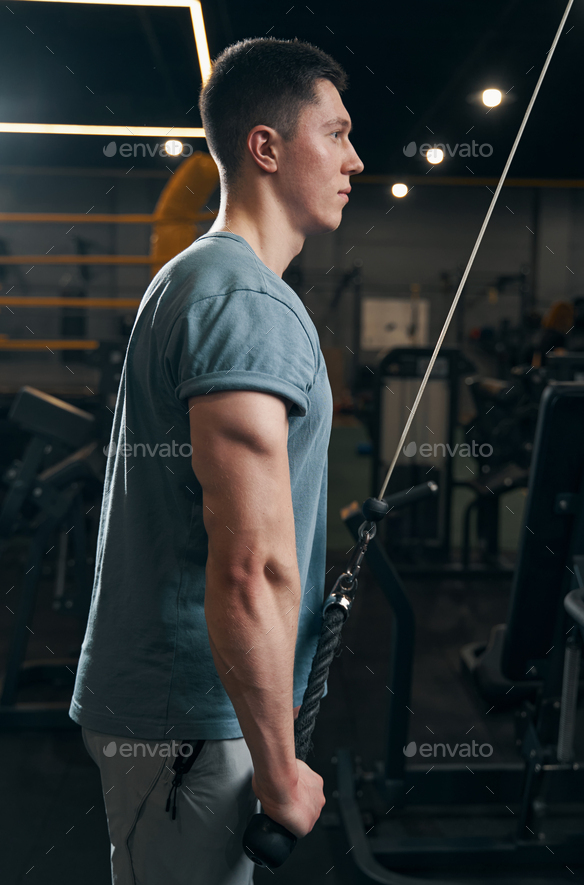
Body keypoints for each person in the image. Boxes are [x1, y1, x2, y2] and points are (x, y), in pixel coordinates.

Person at [70, 36, 363, 885]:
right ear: (265, 146)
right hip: (191, 719)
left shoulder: (201, 277)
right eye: (336, 133)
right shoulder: (241, 301)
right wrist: (278, 767)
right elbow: (250, 566)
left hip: (190, 713)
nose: (354, 158)